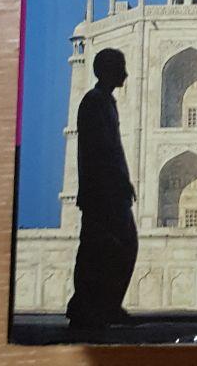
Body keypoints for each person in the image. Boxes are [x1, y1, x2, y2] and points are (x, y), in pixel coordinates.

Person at [65, 48, 139, 328]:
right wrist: (113, 183)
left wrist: (124, 181)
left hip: (110, 190)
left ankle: (104, 305)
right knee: (98, 250)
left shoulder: (106, 102)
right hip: (102, 193)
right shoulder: (94, 102)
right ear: (108, 70)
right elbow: (100, 150)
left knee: (112, 248)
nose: (126, 74)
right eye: (121, 67)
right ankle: (88, 307)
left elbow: (112, 148)